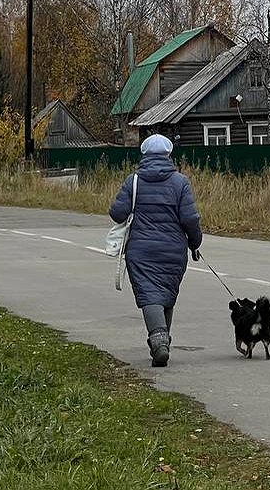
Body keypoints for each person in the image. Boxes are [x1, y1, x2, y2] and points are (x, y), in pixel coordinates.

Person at [109, 133, 202, 367]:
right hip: (173, 249)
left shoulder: (134, 181)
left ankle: (159, 342)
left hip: (141, 251)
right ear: (168, 155)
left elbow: (117, 213)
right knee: (167, 294)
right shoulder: (180, 182)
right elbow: (190, 219)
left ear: (144, 155)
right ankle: (161, 342)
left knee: (150, 294)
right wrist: (195, 242)